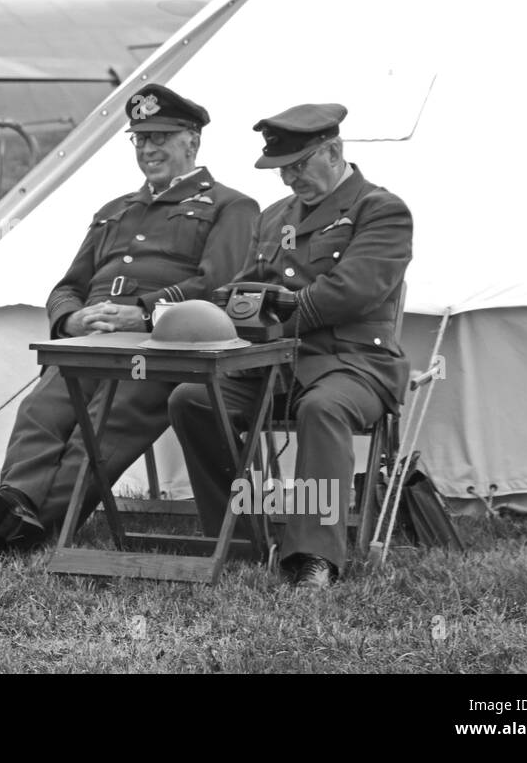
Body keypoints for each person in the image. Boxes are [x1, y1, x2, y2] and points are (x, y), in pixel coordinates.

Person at [0, 84, 259, 549]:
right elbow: (68, 287)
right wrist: (71, 321)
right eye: (141, 140)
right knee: (42, 410)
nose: (149, 149)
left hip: (164, 349)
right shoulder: (114, 212)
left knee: (103, 426)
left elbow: (217, 287)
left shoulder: (231, 207)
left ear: (192, 140)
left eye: (161, 138)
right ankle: (14, 500)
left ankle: (29, 525)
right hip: (89, 343)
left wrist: (143, 315)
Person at [167, 102, 412, 589]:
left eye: (299, 166)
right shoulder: (275, 215)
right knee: (191, 400)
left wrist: (271, 308)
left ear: (335, 152)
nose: (289, 180)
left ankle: (312, 557)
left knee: (322, 409)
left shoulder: (381, 210)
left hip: (353, 362)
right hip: (275, 365)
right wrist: (230, 304)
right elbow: (244, 286)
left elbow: (352, 291)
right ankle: (237, 535)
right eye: (282, 170)